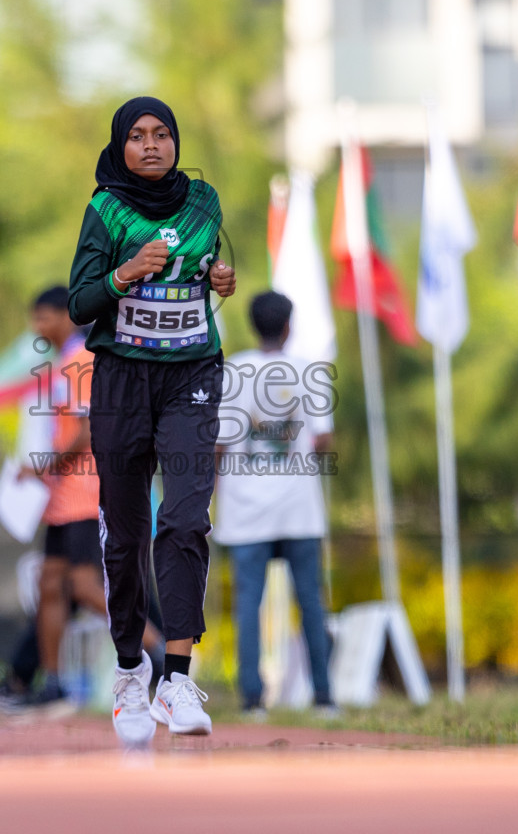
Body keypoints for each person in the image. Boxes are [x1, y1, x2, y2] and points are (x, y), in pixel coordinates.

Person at [68, 95, 236, 744]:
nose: (150, 145)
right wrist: (125, 273)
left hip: (191, 371)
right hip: (122, 379)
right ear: (120, 145)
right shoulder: (104, 209)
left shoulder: (204, 201)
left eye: (161, 133)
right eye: (136, 136)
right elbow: (81, 300)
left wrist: (219, 277)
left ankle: (177, 677)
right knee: (127, 533)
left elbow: (204, 265)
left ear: (175, 141)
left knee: (188, 516)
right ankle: (130, 672)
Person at [0, 287, 163, 715]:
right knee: (49, 585)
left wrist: (42, 467)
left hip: (85, 491)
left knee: (83, 585)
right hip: (63, 495)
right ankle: (52, 686)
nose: (39, 327)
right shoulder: (64, 364)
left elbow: (84, 432)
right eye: (34, 318)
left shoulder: (81, 360)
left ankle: (157, 651)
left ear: (68, 317)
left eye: (45, 317)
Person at [214, 291, 337, 719]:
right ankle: (324, 698)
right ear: (288, 325)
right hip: (299, 508)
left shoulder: (232, 371)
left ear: (254, 325)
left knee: (250, 604)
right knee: (311, 603)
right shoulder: (307, 371)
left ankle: (252, 699)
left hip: (245, 509)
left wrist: (208, 496)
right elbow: (321, 440)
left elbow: (218, 442)